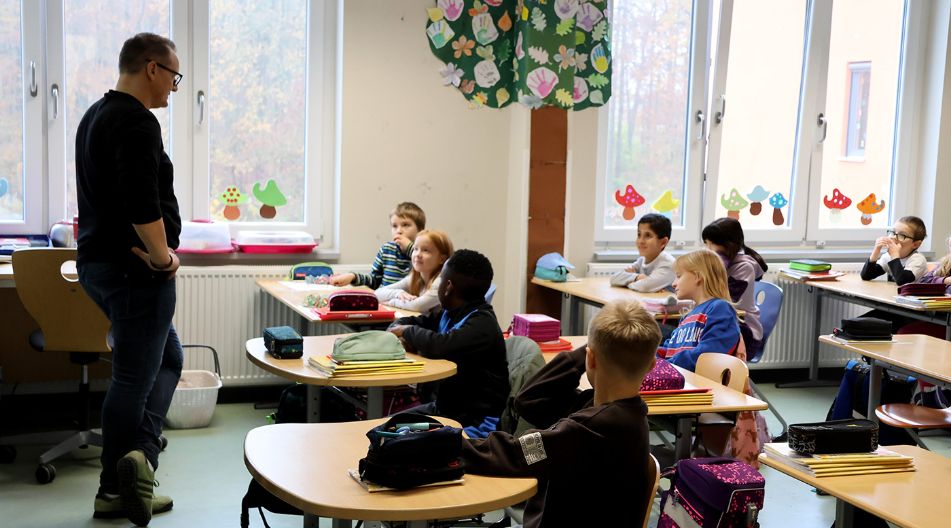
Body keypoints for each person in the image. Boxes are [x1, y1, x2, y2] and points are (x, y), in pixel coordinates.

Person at [75, 32, 182, 526]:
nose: (174, 89)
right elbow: (141, 200)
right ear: (151, 68)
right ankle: (116, 488)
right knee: (134, 380)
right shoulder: (136, 121)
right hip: (135, 270)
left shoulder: (94, 115)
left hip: (100, 264)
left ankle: (136, 459)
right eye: (174, 77)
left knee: (168, 358)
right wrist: (162, 257)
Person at [461, 301, 661, 527]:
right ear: (652, 365)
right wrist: (599, 349)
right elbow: (529, 402)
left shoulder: (591, 428)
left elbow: (516, 453)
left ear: (591, 359)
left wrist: (448, 443)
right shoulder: (612, 412)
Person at [387, 249, 509, 427]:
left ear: (449, 286)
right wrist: (399, 330)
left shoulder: (482, 325)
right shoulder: (450, 313)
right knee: (386, 426)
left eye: (441, 279)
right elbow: (412, 322)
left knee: (392, 439)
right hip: (445, 410)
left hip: (474, 424)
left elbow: (439, 345)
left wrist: (406, 331)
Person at [657, 249, 741, 371]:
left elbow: (708, 355)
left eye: (679, 276)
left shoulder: (719, 309)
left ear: (698, 276)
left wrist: (667, 366)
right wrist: (651, 358)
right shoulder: (687, 316)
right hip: (681, 376)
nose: (674, 283)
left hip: (699, 384)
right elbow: (669, 348)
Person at [702, 217, 766, 357]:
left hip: (744, 332)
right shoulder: (725, 263)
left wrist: (713, 271)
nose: (707, 250)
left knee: (698, 345)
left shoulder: (744, 268)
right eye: (706, 244)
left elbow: (723, 301)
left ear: (729, 245)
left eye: (712, 244)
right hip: (723, 324)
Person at [331, 202, 425, 288]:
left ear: (420, 230)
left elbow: (429, 273)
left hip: (409, 302)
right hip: (385, 300)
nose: (399, 231)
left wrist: (410, 248)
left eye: (405, 225)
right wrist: (353, 277)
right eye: (394, 226)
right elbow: (374, 281)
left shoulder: (424, 252)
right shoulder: (386, 249)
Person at [375, 230, 453, 314]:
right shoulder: (415, 278)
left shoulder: (442, 281)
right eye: (415, 249)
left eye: (425, 250)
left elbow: (417, 306)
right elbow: (377, 294)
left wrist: (392, 302)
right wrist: (397, 293)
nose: (418, 254)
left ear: (442, 259)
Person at [609, 213, 676, 293]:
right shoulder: (642, 260)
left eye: (648, 235)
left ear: (663, 242)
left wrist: (626, 282)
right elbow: (614, 279)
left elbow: (644, 287)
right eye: (639, 235)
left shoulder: (668, 265)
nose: (641, 241)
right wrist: (637, 277)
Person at [860, 215, 929, 286]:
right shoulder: (888, 257)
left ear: (916, 244)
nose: (893, 237)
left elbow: (902, 281)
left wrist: (895, 256)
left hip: (912, 296)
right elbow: (866, 275)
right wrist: (876, 251)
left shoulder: (918, 260)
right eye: (893, 232)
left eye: (902, 235)